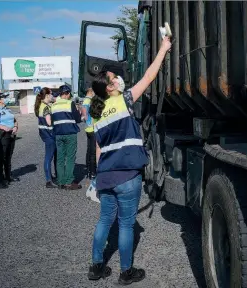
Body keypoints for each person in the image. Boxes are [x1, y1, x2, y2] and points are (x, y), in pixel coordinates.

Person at [87, 36, 171, 285]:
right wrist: (163, 48)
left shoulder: (96, 112)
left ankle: (96, 267)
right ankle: (126, 272)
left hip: (106, 176)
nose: (118, 79)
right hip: (127, 176)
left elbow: (98, 148)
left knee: (104, 221)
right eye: (115, 79)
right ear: (110, 88)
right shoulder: (123, 101)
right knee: (126, 225)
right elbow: (149, 77)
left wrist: (96, 178)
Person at [51, 85, 82, 190]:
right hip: (70, 133)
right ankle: (69, 182)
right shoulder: (70, 103)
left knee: (60, 158)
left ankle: (60, 181)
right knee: (70, 158)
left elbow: (52, 121)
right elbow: (77, 119)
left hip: (58, 135)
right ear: (68, 94)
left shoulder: (53, 105)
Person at [0, 93, 20, 185]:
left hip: (11, 134)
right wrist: (1, 126)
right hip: (2, 134)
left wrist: (15, 126)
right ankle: (0, 177)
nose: (6, 99)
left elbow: (14, 120)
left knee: (9, 156)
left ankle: (8, 176)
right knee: (2, 156)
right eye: (4, 98)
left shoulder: (8, 110)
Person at [34, 87, 57, 188]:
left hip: (44, 134)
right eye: (51, 94)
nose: (52, 95)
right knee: (49, 157)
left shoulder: (41, 105)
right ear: (47, 95)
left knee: (49, 156)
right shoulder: (46, 107)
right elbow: (49, 122)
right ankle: (48, 180)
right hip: (49, 134)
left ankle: (50, 177)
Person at [81, 87, 96, 180]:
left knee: (89, 150)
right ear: (91, 92)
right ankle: (93, 172)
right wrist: (89, 122)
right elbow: (84, 113)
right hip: (91, 128)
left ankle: (89, 170)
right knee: (93, 152)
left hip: (88, 128)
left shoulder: (85, 100)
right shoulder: (87, 100)